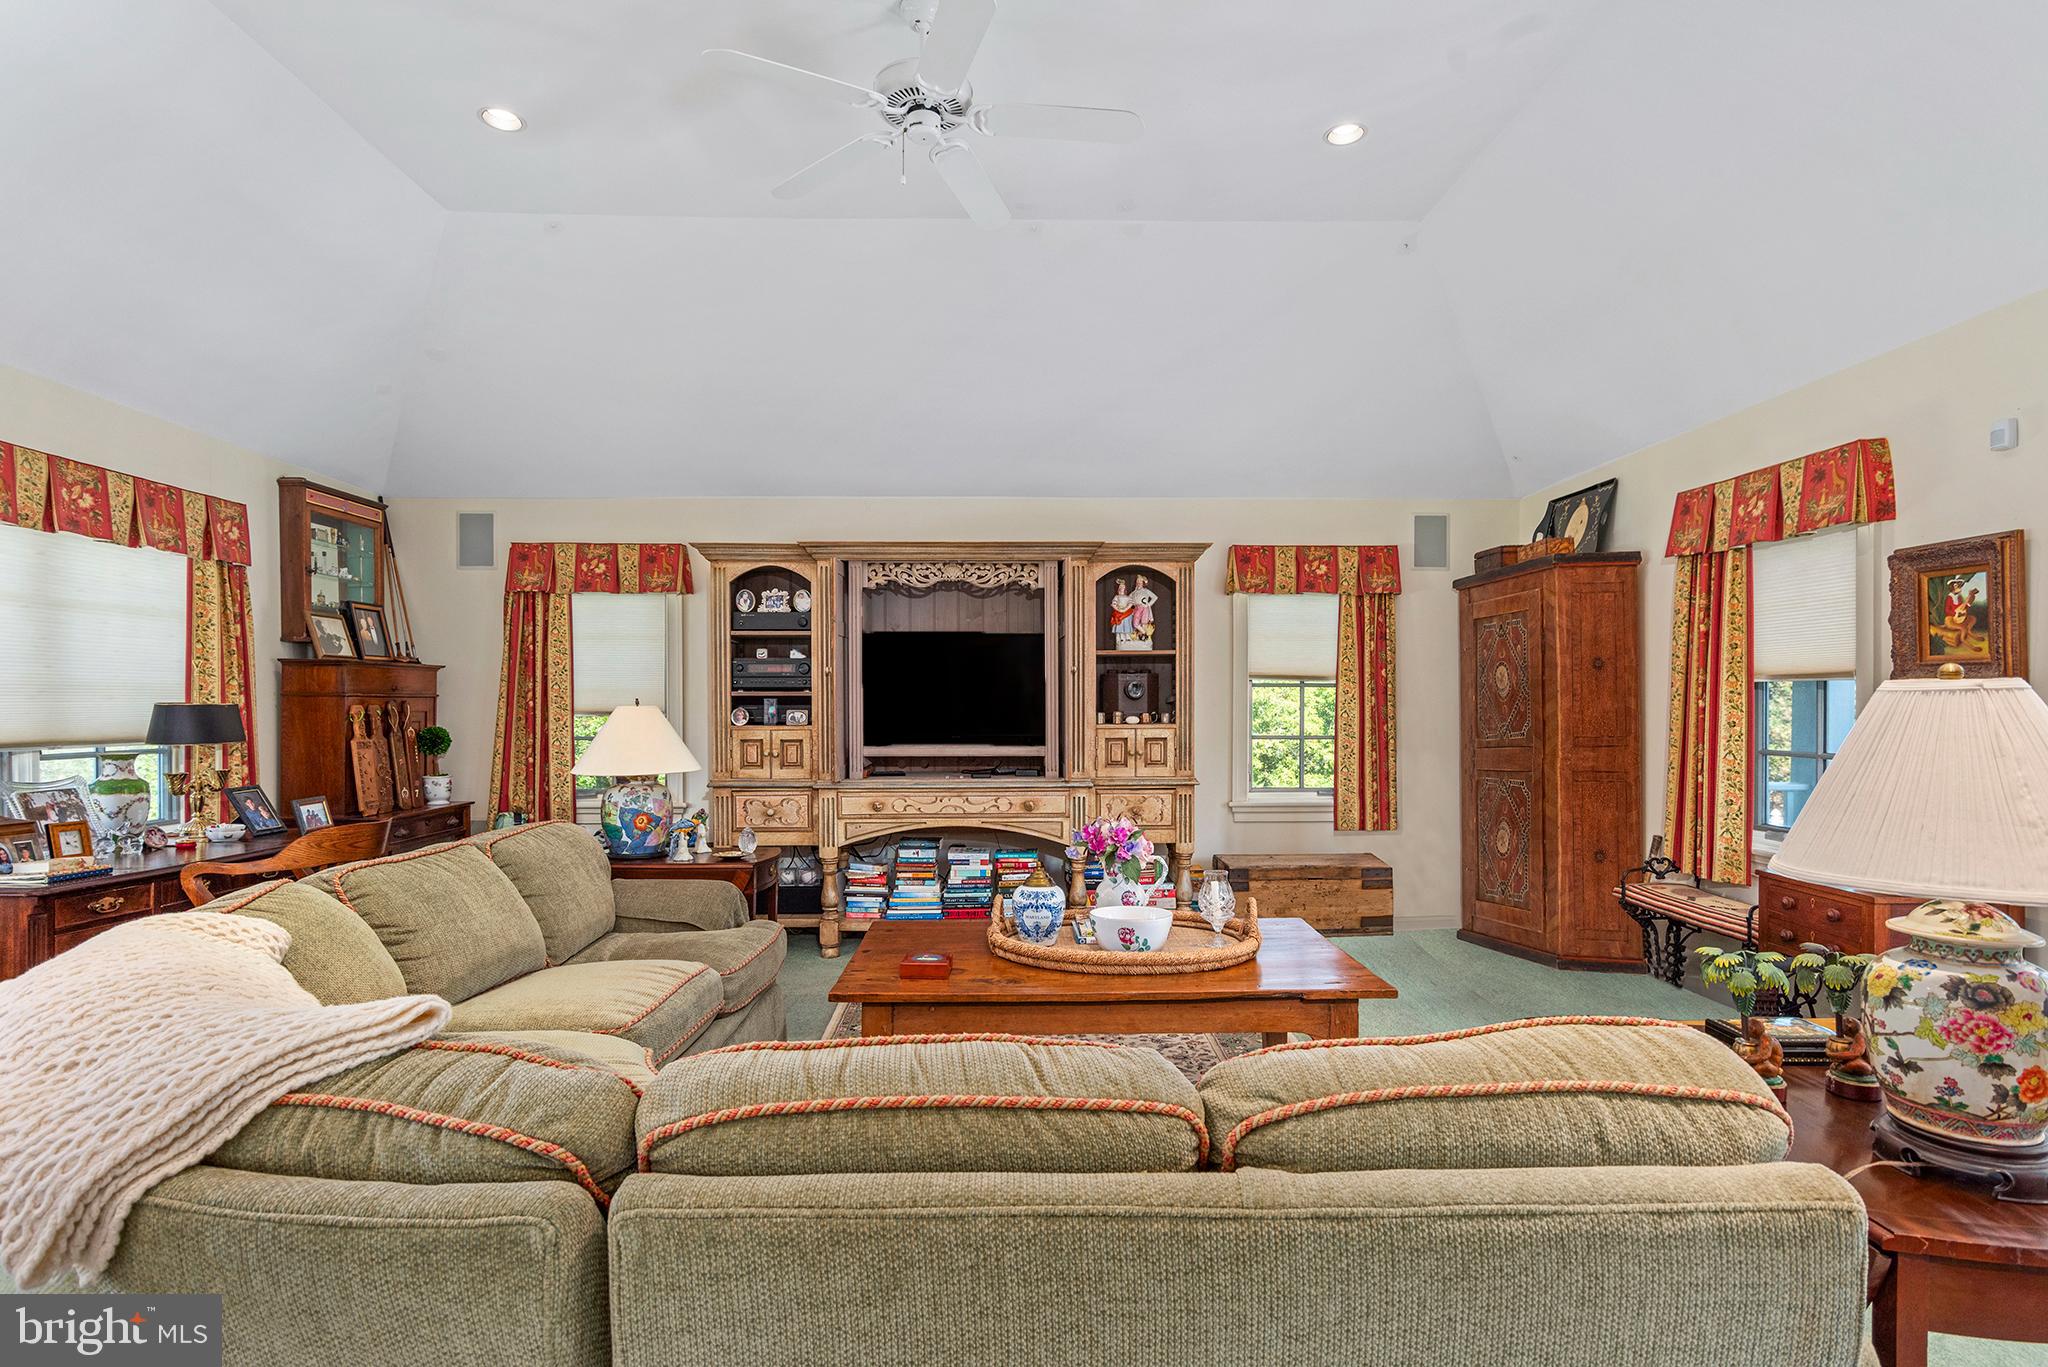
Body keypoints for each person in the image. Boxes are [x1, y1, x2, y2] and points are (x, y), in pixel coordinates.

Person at [1128, 575, 1158, 647]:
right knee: (1135, 624)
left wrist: (1148, 604)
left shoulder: (1145, 591)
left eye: (1140, 581)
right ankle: (1144, 633)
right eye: (1137, 581)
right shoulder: (1133, 593)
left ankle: (1144, 638)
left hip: (1144, 608)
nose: (1138, 582)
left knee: (1144, 623)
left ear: (1143, 582)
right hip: (1136, 609)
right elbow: (1128, 599)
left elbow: (1154, 597)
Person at [1107, 578, 1136, 649]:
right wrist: (1118, 609)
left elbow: (1130, 604)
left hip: (1126, 613)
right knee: (1119, 625)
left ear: (1125, 589)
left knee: (1126, 625)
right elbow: (1113, 604)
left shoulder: (1128, 597)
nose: (1121, 589)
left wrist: (1125, 609)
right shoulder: (1116, 597)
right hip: (1119, 613)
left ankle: (1127, 636)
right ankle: (1119, 637)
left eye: (1122, 588)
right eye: (1120, 588)